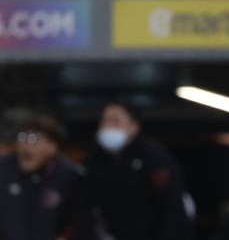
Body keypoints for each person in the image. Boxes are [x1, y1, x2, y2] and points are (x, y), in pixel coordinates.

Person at [85, 102, 193, 240]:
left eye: (116, 120)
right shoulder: (95, 158)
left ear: (134, 125)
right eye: (104, 120)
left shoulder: (153, 156)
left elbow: (172, 208)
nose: (108, 125)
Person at [0, 114, 94, 240]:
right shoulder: (4, 169)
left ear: (52, 146)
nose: (27, 145)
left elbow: (83, 225)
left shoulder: (69, 176)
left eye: (34, 139)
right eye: (22, 138)